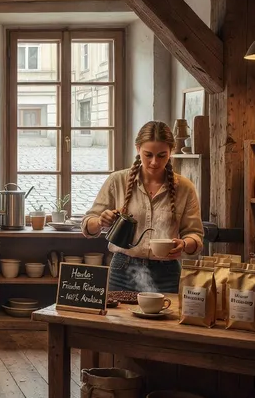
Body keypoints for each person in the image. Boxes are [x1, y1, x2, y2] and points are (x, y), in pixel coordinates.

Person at [81, 121, 204, 293]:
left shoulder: (184, 187)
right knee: (118, 319)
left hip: (167, 274)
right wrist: (101, 221)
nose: (154, 162)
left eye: (162, 155)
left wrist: (184, 244)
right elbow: (88, 225)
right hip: (122, 271)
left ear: (171, 151)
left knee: (164, 320)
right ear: (138, 148)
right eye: (148, 155)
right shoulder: (117, 181)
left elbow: (195, 236)